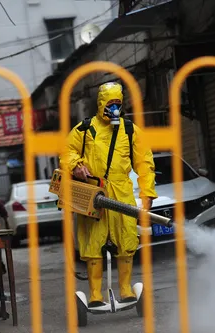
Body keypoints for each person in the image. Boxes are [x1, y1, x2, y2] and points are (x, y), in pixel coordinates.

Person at [60, 82, 157, 308]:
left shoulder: (130, 130)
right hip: (93, 193)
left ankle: (125, 288)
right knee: (93, 243)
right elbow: (66, 151)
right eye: (110, 104)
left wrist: (147, 193)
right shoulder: (84, 130)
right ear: (101, 104)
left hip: (122, 192)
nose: (114, 109)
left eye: (117, 104)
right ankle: (95, 293)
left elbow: (145, 163)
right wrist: (75, 165)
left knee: (127, 239)